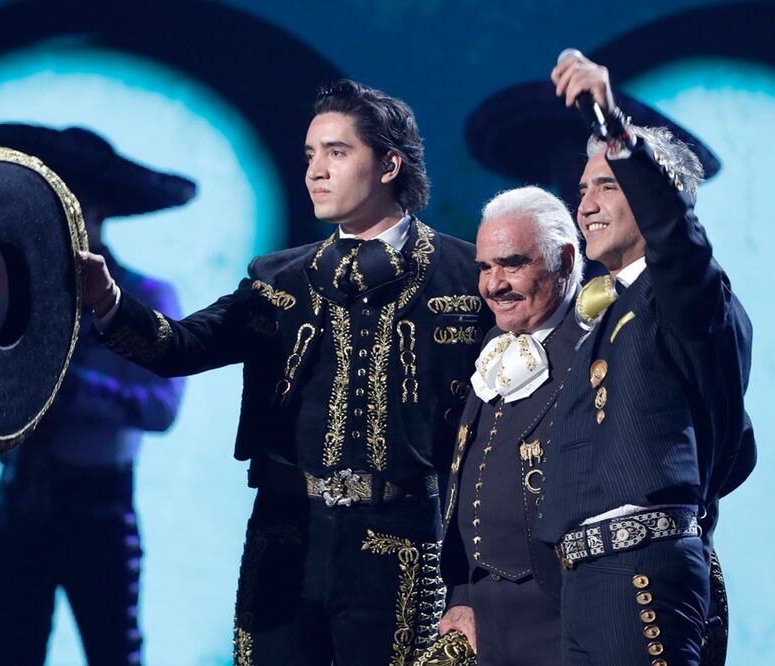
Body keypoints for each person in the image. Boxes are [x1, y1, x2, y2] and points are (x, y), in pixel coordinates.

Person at [78, 80, 491, 664]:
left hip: (400, 546)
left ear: (389, 164)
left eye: (336, 152)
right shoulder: (280, 279)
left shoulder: (467, 275)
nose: (316, 171)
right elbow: (182, 344)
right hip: (286, 537)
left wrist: (474, 585)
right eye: (309, 155)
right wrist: (108, 302)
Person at [534, 53, 756, 666]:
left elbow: (678, 242)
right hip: (585, 584)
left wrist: (614, 130)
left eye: (608, 185)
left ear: (661, 196)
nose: (586, 206)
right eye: (582, 191)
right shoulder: (601, 312)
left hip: (640, 574)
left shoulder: (685, 291)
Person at [0, 124, 192, 666]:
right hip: (19, 497)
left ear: (101, 207)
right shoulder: (14, 298)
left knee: (113, 652)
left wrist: (72, 386)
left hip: (98, 505)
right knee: (11, 652)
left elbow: (161, 409)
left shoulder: (148, 298)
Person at [436, 186, 584, 665]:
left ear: (563, 259)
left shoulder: (602, 346)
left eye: (513, 263)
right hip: (487, 617)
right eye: (484, 267)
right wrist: (461, 591)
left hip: (566, 615)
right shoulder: (492, 344)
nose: (493, 284)